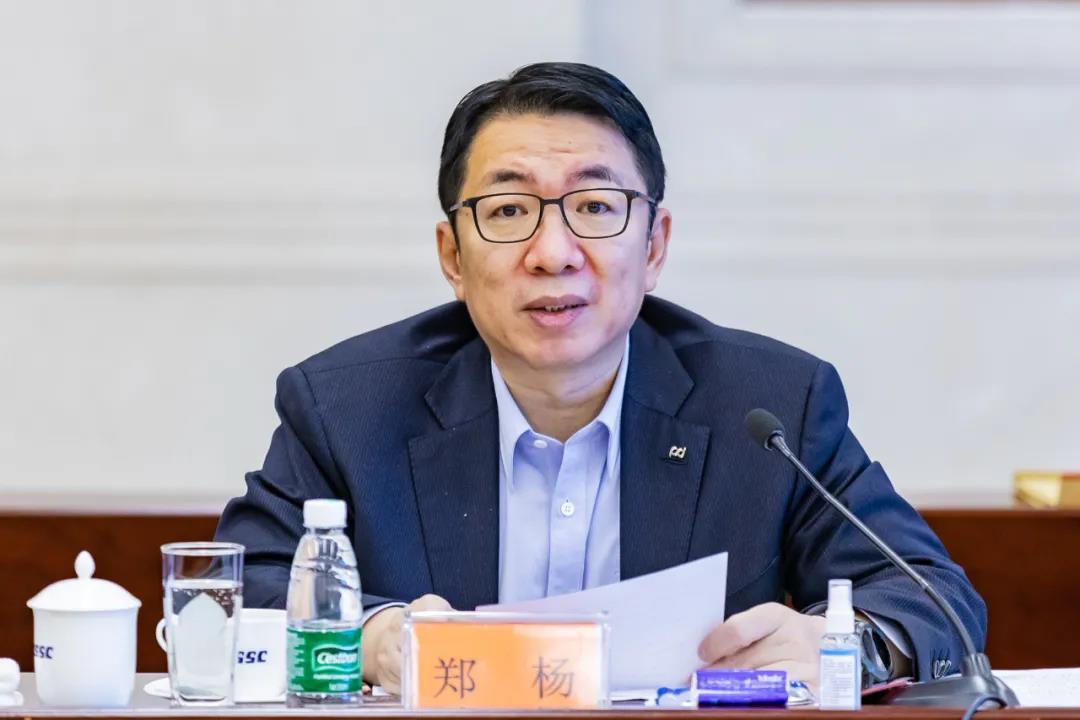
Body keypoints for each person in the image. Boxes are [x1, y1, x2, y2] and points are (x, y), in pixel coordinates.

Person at [215, 62, 986, 694]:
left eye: (593, 206)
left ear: (654, 248)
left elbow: (934, 600)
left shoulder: (769, 406)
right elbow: (239, 590)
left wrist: (845, 646)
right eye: (509, 210)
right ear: (452, 255)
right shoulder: (348, 408)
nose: (553, 253)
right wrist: (373, 636)